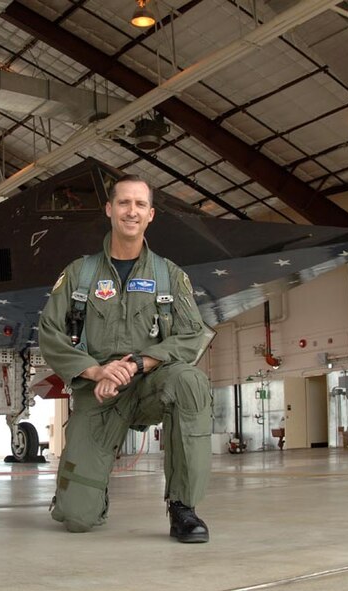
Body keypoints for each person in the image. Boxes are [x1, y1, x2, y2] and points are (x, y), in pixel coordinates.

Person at [38, 175, 215, 542]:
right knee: (76, 518)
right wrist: (95, 369)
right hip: (99, 394)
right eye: (123, 203)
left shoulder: (170, 276)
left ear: (150, 215)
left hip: (152, 384)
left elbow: (192, 335)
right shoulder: (79, 274)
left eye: (139, 205)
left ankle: (183, 507)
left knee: (190, 381)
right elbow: (50, 333)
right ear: (109, 209)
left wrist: (138, 363)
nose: (130, 211)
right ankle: (86, 487)